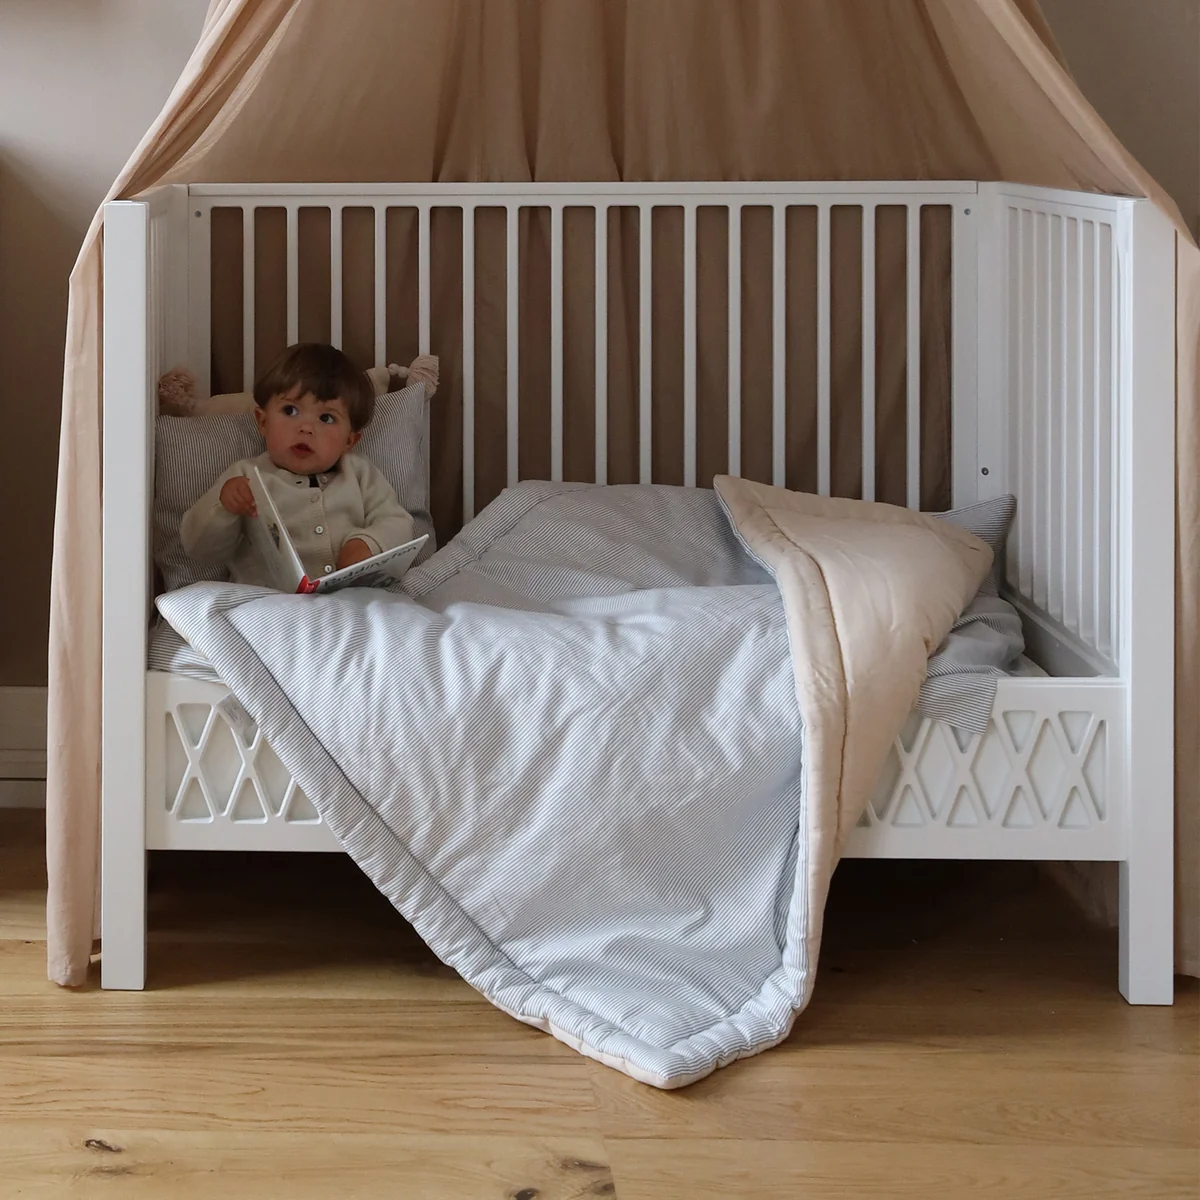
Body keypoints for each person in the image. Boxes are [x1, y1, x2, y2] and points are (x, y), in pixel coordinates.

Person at [181, 343, 414, 587]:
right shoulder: (246, 477)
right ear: (262, 422)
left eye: (326, 418)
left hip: (347, 597)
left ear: (349, 440)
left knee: (390, 607)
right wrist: (224, 507)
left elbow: (398, 523)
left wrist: (366, 544)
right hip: (267, 599)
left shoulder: (360, 474)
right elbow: (198, 548)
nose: (306, 428)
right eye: (290, 410)